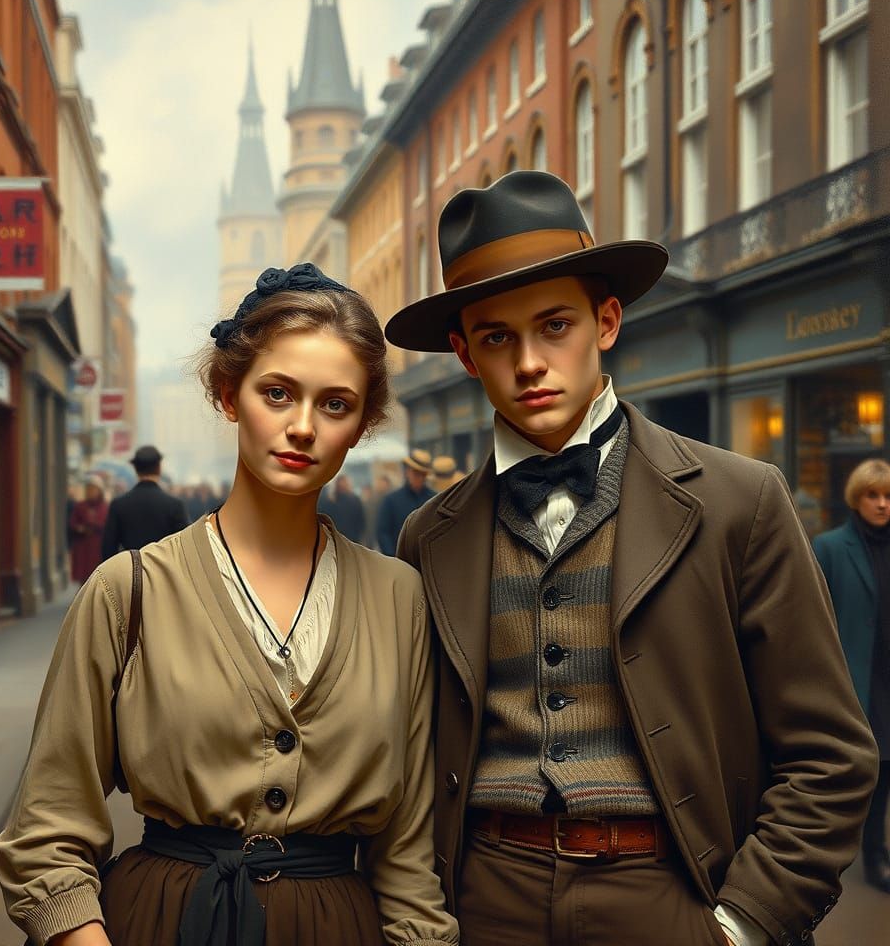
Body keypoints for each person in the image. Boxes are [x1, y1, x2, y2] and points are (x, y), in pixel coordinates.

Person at [385, 171, 878, 946]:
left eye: (555, 326)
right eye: (496, 337)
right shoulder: (428, 536)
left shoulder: (739, 501)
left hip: (671, 890)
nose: (529, 363)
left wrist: (744, 924)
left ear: (606, 320)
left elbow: (830, 755)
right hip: (485, 900)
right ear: (464, 354)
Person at [0, 263, 458, 946]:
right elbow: (47, 829)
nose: (303, 426)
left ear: (360, 425)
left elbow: (408, 854)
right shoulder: (130, 591)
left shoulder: (399, 598)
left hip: (336, 928)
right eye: (277, 392)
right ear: (228, 393)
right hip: (161, 920)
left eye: (335, 404)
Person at [813, 458, 890, 894]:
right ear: (856, 499)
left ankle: (877, 850)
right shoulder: (829, 547)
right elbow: (812, 617)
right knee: (865, 768)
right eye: (872, 496)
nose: (882, 505)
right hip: (856, 676)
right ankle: (861, 854)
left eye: (888, 496)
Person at [101, 446, 188, 559]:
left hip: (130, 571)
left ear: (136, 469)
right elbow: (184, 547)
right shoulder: (175, 505)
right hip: (163, 571)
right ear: (159, 468)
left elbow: (108, 547)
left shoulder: (119, 504)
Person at [375, 450, 435, 556]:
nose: (419, 478)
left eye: (422, 474)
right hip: (399, 561)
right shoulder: (391, 500)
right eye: (416, 473)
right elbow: (383, 532)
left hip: (427, 562)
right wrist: (393, 558)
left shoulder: (433, 499)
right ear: (408, 472)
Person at [69, 476, 108, 585]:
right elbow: (73, 523)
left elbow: (107, 526)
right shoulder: (80, 506)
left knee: (98, 576)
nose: (90, 492)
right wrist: (80, 528)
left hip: (97, 546)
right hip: (83, 547)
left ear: (99, 491)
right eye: (88, 489)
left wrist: (96, 526)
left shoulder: (105, 507)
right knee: (84, 577)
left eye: (93, 489)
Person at [322, 473, 366, 543]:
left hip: (351, 537)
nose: (342, 484)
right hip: (337, 537)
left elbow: (360, 519)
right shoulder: (331, 501)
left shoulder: (354, 499)